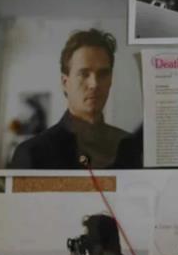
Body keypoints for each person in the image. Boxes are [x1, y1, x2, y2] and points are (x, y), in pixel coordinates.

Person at [8, 29, 142, 169]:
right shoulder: (32, 152)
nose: (94, 84)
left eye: (103, 74)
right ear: (65, 83)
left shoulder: (132, 148)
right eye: (84, 74)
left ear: (110, 81)